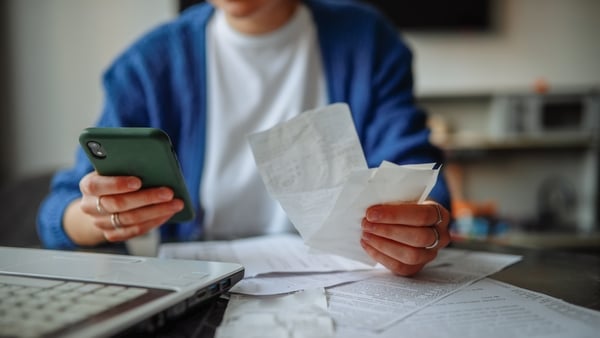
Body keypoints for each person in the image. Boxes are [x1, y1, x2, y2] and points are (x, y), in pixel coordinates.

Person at [37, 0, 452, 276]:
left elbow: (419, 180)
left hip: (350, 289)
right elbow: (57, 214)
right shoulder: (149, 65)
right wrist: (100, 215)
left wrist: (417, 228)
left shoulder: (369, 42)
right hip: (201, 290)